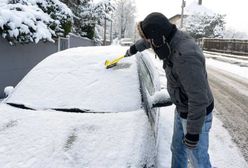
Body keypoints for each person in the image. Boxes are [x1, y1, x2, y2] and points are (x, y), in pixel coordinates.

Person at [125, 12, 214, 168]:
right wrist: (133, 49)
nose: (150, 43)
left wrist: (193, 134)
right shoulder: (169, 37)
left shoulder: (186, 56)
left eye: (151, 40)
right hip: (182, 109)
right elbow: (148, 41)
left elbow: (199, 99)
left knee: (197, 159)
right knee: (178, 150)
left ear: (160, 38)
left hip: (196, 115)